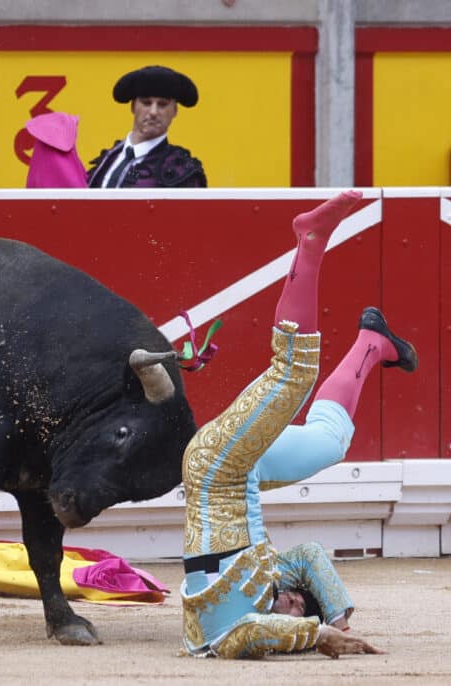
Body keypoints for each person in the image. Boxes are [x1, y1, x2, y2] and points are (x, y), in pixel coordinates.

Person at [180, 190, 418, 659]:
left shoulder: (225, 633)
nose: (291, 602)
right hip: (242, 469)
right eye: (297, 602)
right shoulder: (269, 583)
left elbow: (253, 635)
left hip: (218, 469)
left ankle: (309, 242)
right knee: (332, 440)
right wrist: (336, 617)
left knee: (293, 372)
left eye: (293, 607)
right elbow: (308, 555)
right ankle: (372, 344)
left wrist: (320, 634)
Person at [86, 65, 207, 189]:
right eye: (146, 103)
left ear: (175, 111)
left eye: (163, 104)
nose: (153, 112)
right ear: (133, 106)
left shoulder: (181, 170)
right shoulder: (109, 158)